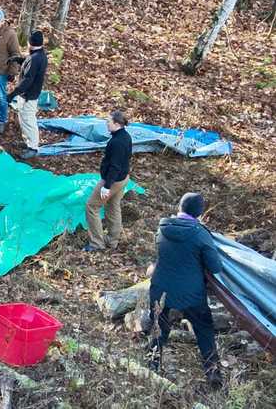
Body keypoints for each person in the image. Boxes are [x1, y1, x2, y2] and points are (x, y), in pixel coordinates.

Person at [147, 192, 224, 389]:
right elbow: (215, 267)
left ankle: (151, 368)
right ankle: (213, 373)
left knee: (159, 328)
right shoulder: (200, 233)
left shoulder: (162, 228)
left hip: (160, 289)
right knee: (204, 330)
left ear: (179, 207)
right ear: (200, 214)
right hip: (191, 294)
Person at [84, 110, 133, 251]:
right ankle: (112, 241)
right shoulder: (125, 136)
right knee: (113, 206)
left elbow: (115, 166)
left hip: (114, 180)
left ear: (117, 124)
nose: (106, 124)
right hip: (123, 178)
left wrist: (107, 186)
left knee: (91, 206)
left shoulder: (117, 142)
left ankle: (96, 243)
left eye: (108, 122)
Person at [6, 31, 47, 159]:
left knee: (29, 121)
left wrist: (13, 93)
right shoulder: (38, 55)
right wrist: (19, 60)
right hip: (27, 94)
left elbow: (28, 79)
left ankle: (33, 147)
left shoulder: (35, 59)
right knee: (23, 118)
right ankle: (27, 142)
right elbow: (30, 63)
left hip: (29, 95)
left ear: (30, 43)